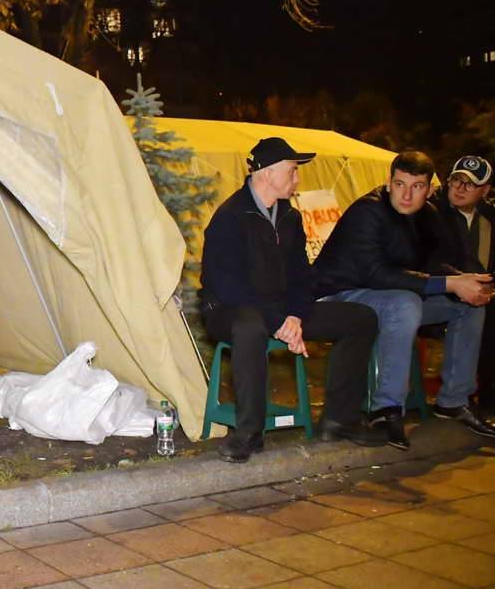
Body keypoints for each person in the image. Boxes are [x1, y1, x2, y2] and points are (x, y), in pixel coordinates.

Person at [201, 137, 384, 463]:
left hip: (282, 312)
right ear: (267, 173)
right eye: (293, 170)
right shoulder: (230, 218)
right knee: (249, 327)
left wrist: (296, 317)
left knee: (361, 318)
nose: (297, 179)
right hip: (229, 310)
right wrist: (278, 321)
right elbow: (229, 287)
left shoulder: (289, 217)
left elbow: (302, 277)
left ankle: (339, 419)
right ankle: (248, 433)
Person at [314, 151, 495, 449]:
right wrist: (450, 283)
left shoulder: (428, 216)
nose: (407, 195)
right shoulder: (367, 212)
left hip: (391, 296)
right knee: (405, 303)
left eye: (417, 187)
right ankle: (386, 410)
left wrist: (468, 283)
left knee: (467, 305)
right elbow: (376, 275)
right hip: (340, 295)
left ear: (430, 188)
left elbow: (437, 263)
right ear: (389, 182)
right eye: (400, 184)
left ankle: (453, 400)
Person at [429, 155, 495, 406]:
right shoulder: (432, 211)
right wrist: (461, 282)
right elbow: (427, 261)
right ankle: (461, 398)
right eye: (456, 180)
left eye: (470, 183)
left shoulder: (489, 218)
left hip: (482, 289)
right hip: (440, 290)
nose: (460, 188)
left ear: (485, 190)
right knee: (476, 307)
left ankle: (483, 393)